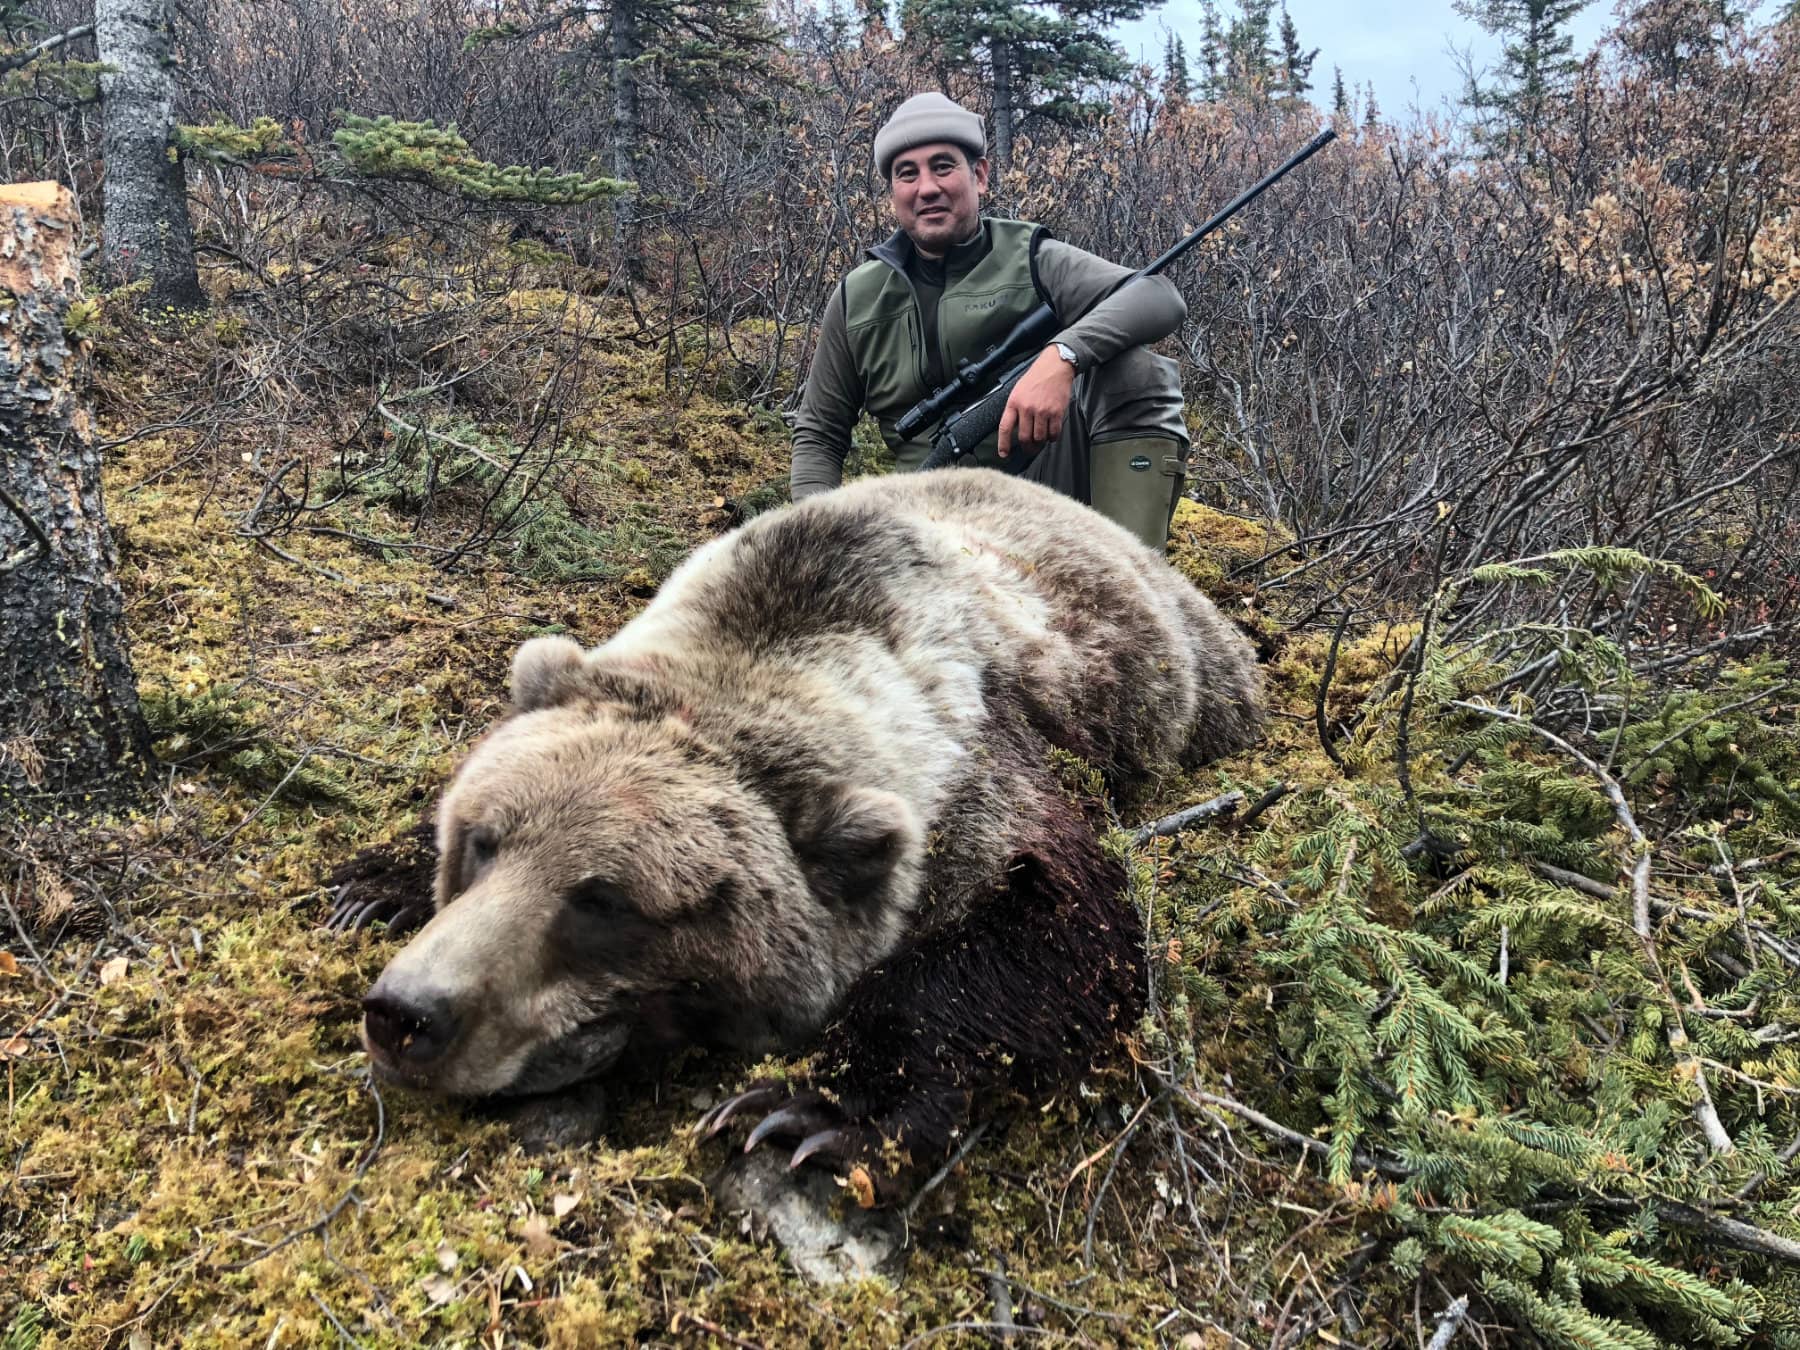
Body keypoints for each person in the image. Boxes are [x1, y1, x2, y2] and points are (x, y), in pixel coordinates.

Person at [789, 92, 1193, 548]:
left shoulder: (1034, 260)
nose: (926, 188)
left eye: (943, 166)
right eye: (908, 174)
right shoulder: (855, 299)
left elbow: (1158, 296)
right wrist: (814, 541)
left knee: (1135, 371)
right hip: (921, 522)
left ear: (978, 176)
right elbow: (820, 434)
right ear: (893, 193)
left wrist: (1062, 356)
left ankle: (1130, 591)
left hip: (1042, 495)